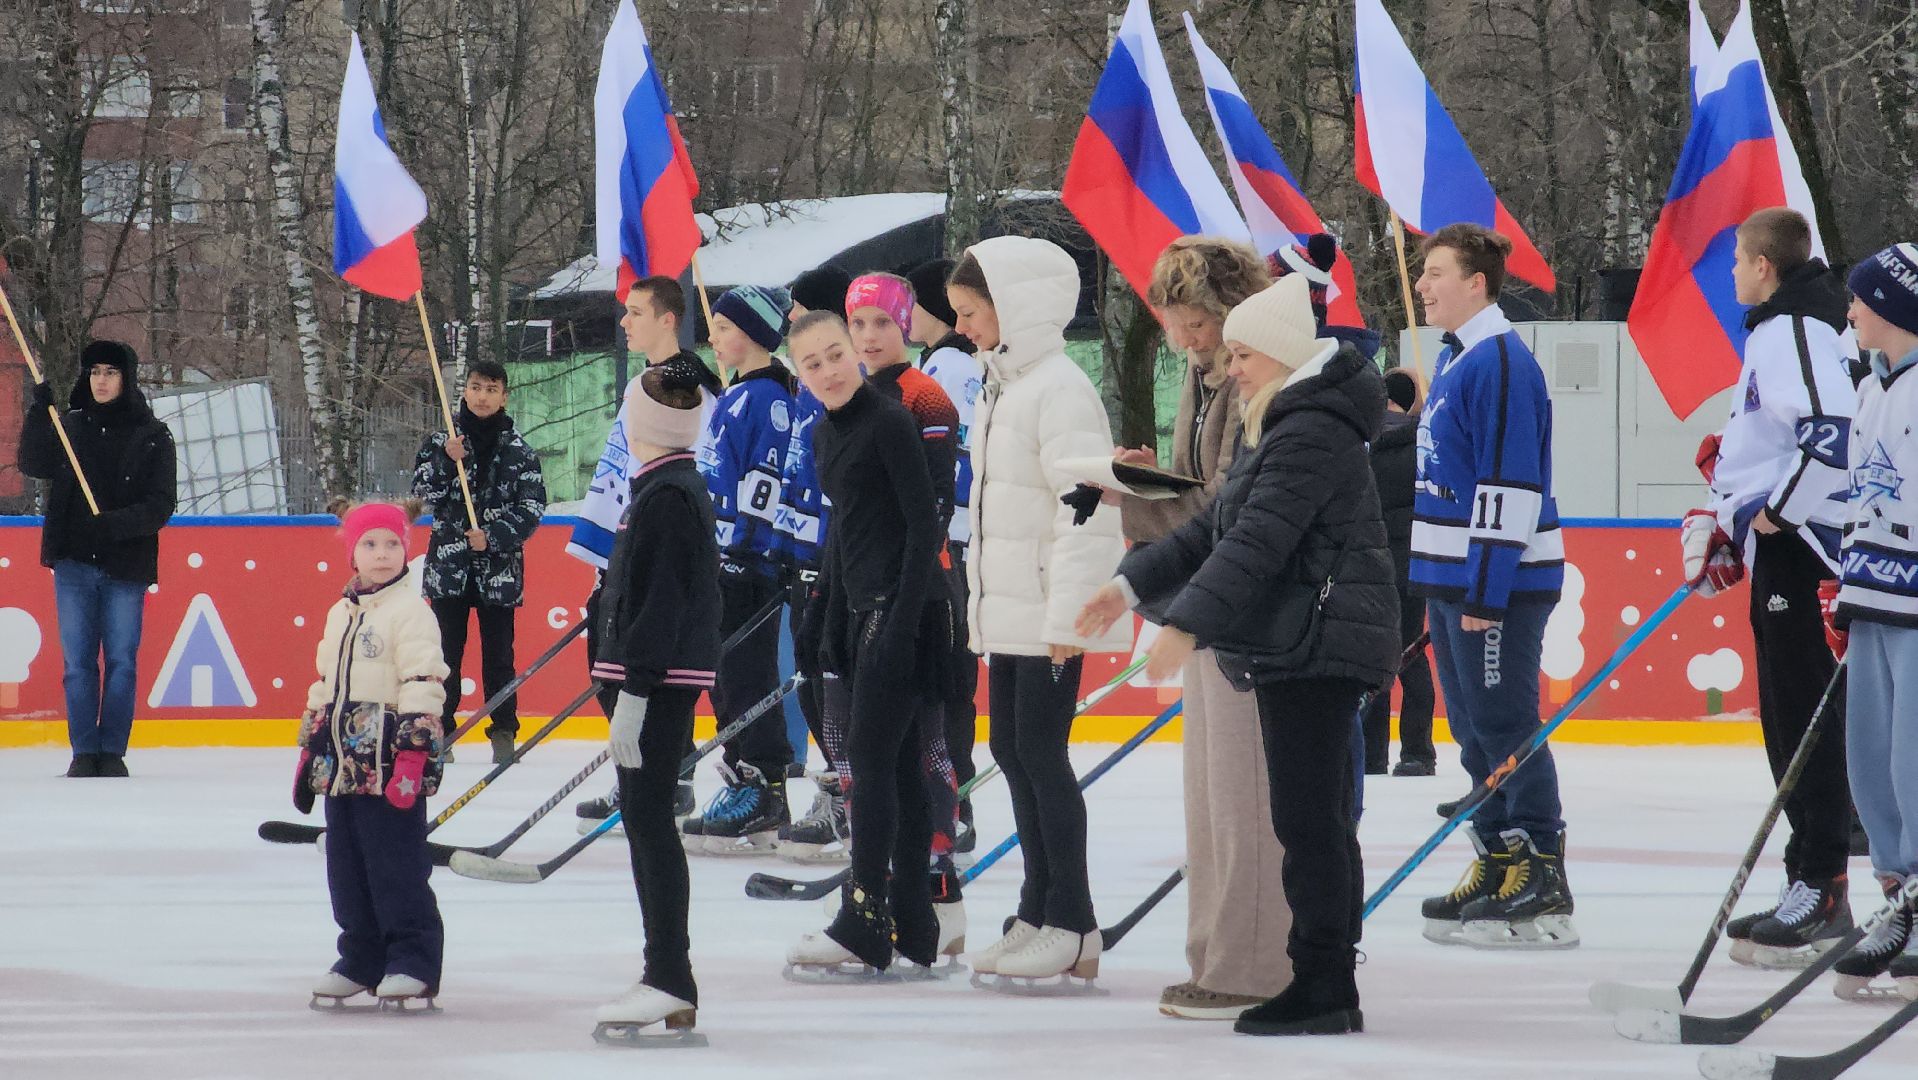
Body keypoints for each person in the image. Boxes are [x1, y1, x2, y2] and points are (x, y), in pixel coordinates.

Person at [1078, 273, 1397, 1036]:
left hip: (1321, 641)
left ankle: (1323, 986)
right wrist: (1128, 586)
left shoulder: (1311, 428)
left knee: (1309, 823)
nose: (1232, 368)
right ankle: (1327, 980)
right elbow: (1210, 529)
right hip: (1303, 638)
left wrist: (1185, 626)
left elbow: (1257, 542)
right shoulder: (1280, 419)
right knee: (1313, 820)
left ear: (1281, 354)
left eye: (1244, 354)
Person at [1114, 236, 1292, 1021]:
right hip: (1206, 604)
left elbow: (1226, 505)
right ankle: (1215, 953)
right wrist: (1143, 482)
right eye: (1176, 324)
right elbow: (1200, 489)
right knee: (1210, 802)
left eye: (1198, 323)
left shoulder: (1260, 383)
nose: (1187, 339)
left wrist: (1136, 495)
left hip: (1242, 613)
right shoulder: (1203, 371)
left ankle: (1250, 967)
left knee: (1243, 800)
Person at [948, 236, 1130, 985]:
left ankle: (1073, 921)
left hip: (1049, 617)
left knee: (1041, 756)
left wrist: (1067, 622)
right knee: (1014, 751)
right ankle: (1037, 910)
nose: (961, 327)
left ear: (1013, 306)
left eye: (970, 312)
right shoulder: (1003, 386)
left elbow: (1087, 512)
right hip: (1013, 614)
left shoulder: (1060, 390)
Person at [1682, 207, 1858, 968]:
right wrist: (1729, 514)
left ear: (1764, 266)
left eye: (1736, 261)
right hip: (1782, 550)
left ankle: (1822, 883)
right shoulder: (1776, 330)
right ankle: (1807, 875)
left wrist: (1773, 514)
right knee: (1787, 720)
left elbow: (1832, 434)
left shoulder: (1796, 329)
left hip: (1805, 552)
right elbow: (1772, 442)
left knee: (1804, 717)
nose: (1730, 274)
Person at [1408, 224, 1573, 950]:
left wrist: (1485, 588)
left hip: (1496, 587)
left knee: (1505, 725)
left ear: (1477, 283)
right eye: (1422, 272)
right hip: (1452, 581)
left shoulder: (1501, 361)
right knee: (1472, 731)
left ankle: (1541, 870)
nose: (1422, 285)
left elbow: (1510, 483)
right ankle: (1499, 858)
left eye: (1436, 272)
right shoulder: (1457, 357)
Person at [783, 311, 947, 976]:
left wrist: (899, 625)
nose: (827, 371)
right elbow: (845, 532)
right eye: (812, 363)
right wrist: (821, 617)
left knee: (871, 764)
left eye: (834, 354)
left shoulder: (889, 420)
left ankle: (864, 917)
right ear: (799, 374)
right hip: (861, 610)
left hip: (904, 612)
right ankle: (914, 922)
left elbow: (923, 526)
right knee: (897, 768)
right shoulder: (823, 433)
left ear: (854, 352)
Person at [589, 366, 723, 1041]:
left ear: (641, 421)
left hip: (658, 684)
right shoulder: (661, 488)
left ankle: (668, 975)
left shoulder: (669, 496)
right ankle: (666, 975)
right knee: (645, 822)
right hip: (648, 678)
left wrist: (637, 692)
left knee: (649, 823)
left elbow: (663, 602)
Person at [573, 276, 721, 826]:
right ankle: (643, 775)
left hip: (662, 538)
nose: (624, 322)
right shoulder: (645, 381)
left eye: (636, 311)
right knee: (606, 662)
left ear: (668, 319)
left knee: (647, 667)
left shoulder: (687, 386)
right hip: (630, 536)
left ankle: (663, 776)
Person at [299, 498, 449, 1011]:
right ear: (352, 552)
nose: (381, 554)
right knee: (347, 867)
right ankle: (360, 957)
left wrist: (413, 757)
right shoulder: (339, 613)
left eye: (391, 544)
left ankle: (413, 960)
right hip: (344, 763)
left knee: (396, 865)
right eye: (369, 544)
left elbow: (424, 682)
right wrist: (310, 749)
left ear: (406, 550)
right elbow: (325, 684)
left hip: (390, 762)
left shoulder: (412, 611)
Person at [1825, 243, 1918, 999]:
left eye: (1861, 297)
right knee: (1873, 760)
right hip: (1874, 601)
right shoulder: (1872, 388)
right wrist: (1845, 580)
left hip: (1914, 607)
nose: (1851, 308)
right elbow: (1863, 496)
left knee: (1913, 759)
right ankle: (1901, 897)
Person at [20, 339, 176, 779]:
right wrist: (39, 414)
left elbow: (161, 503)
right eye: (94, 372)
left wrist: (116, 525)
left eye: (110, 372)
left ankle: (112, 751)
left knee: (122, 660)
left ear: (127, 378)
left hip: (126, 565)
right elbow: (33, 462)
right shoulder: (69, 426)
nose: (101, 380)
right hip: (74, 562)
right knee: (78, 663)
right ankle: (84, 750)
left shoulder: (152, 435)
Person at [684, 285, 799, 854]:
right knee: (725, 675)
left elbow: (765, 481)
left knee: (748, 674)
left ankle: (765, 784)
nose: (714, 336)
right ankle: (742, 776)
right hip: (721, 557)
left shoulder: (767, 398)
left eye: (725, 327)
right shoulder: (736, 393)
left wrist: (745, 551)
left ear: (753, 334)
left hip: (747, 564)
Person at [412, 360, 547, 765]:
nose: (482, 396)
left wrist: (494, 535)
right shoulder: (443, 442)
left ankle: (503, 731)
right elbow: (422, 493)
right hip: (449, 569)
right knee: (445, 654)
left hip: (499, 572)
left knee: (499, 657)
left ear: (504, 396)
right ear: (464, 392)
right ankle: (440, 731)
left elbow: (532, 508)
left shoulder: (520, 451)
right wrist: (444, 460)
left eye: (491, 389)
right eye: (475, 387)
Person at [907, 256, 985, 847]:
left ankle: (954, 804)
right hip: (948, 540)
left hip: (950, 543)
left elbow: (957, 461)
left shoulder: (952, 368)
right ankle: (946, 802)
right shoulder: (939, 363)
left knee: (949, 678)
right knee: (945, 678)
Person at [775, 266, 852, 860]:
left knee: (835, 680)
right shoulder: (805, 384)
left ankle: (849, 795)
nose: (790, 318)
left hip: (838, 557)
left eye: (798, 308)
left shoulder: (845, 386)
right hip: (805, 554)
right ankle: (837, 788)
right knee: (810, 678)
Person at [1362, 366, 1437, 776]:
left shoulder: (1362, 442)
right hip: (1414, 563)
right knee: (1410, 655)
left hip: (1373, 564)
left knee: (1374, 656)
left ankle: (1372, 753)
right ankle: (1417, 752)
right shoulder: (1424, 444)